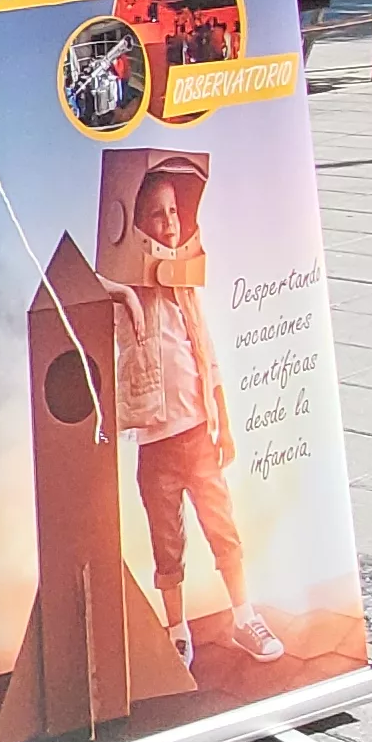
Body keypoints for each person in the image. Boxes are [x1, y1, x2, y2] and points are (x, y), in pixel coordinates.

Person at [107, 157, 277, 667]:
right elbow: (83, 283)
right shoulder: (126, 286)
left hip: (198, 433)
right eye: (156, 215)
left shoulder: (184, 285)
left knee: (222, 528)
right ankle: (177, 629)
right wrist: (124, 294)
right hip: (157, 443)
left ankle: (244, 616)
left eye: (174, 212)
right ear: (135, 225)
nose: (169, 223)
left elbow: (207, 352)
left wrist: (222, 417)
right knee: (168, 543)